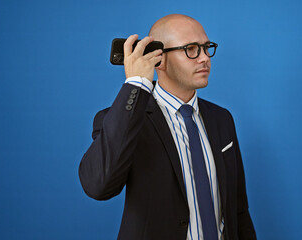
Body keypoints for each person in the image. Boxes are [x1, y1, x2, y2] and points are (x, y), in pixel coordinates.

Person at [79, 14, 257, 240]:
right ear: (159, 59)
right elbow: (98, 186)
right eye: (191, 49)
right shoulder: (126, 120)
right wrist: (136, 84)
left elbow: (238, 209)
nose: (204, 58)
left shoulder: (221, 119)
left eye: (206, 47)